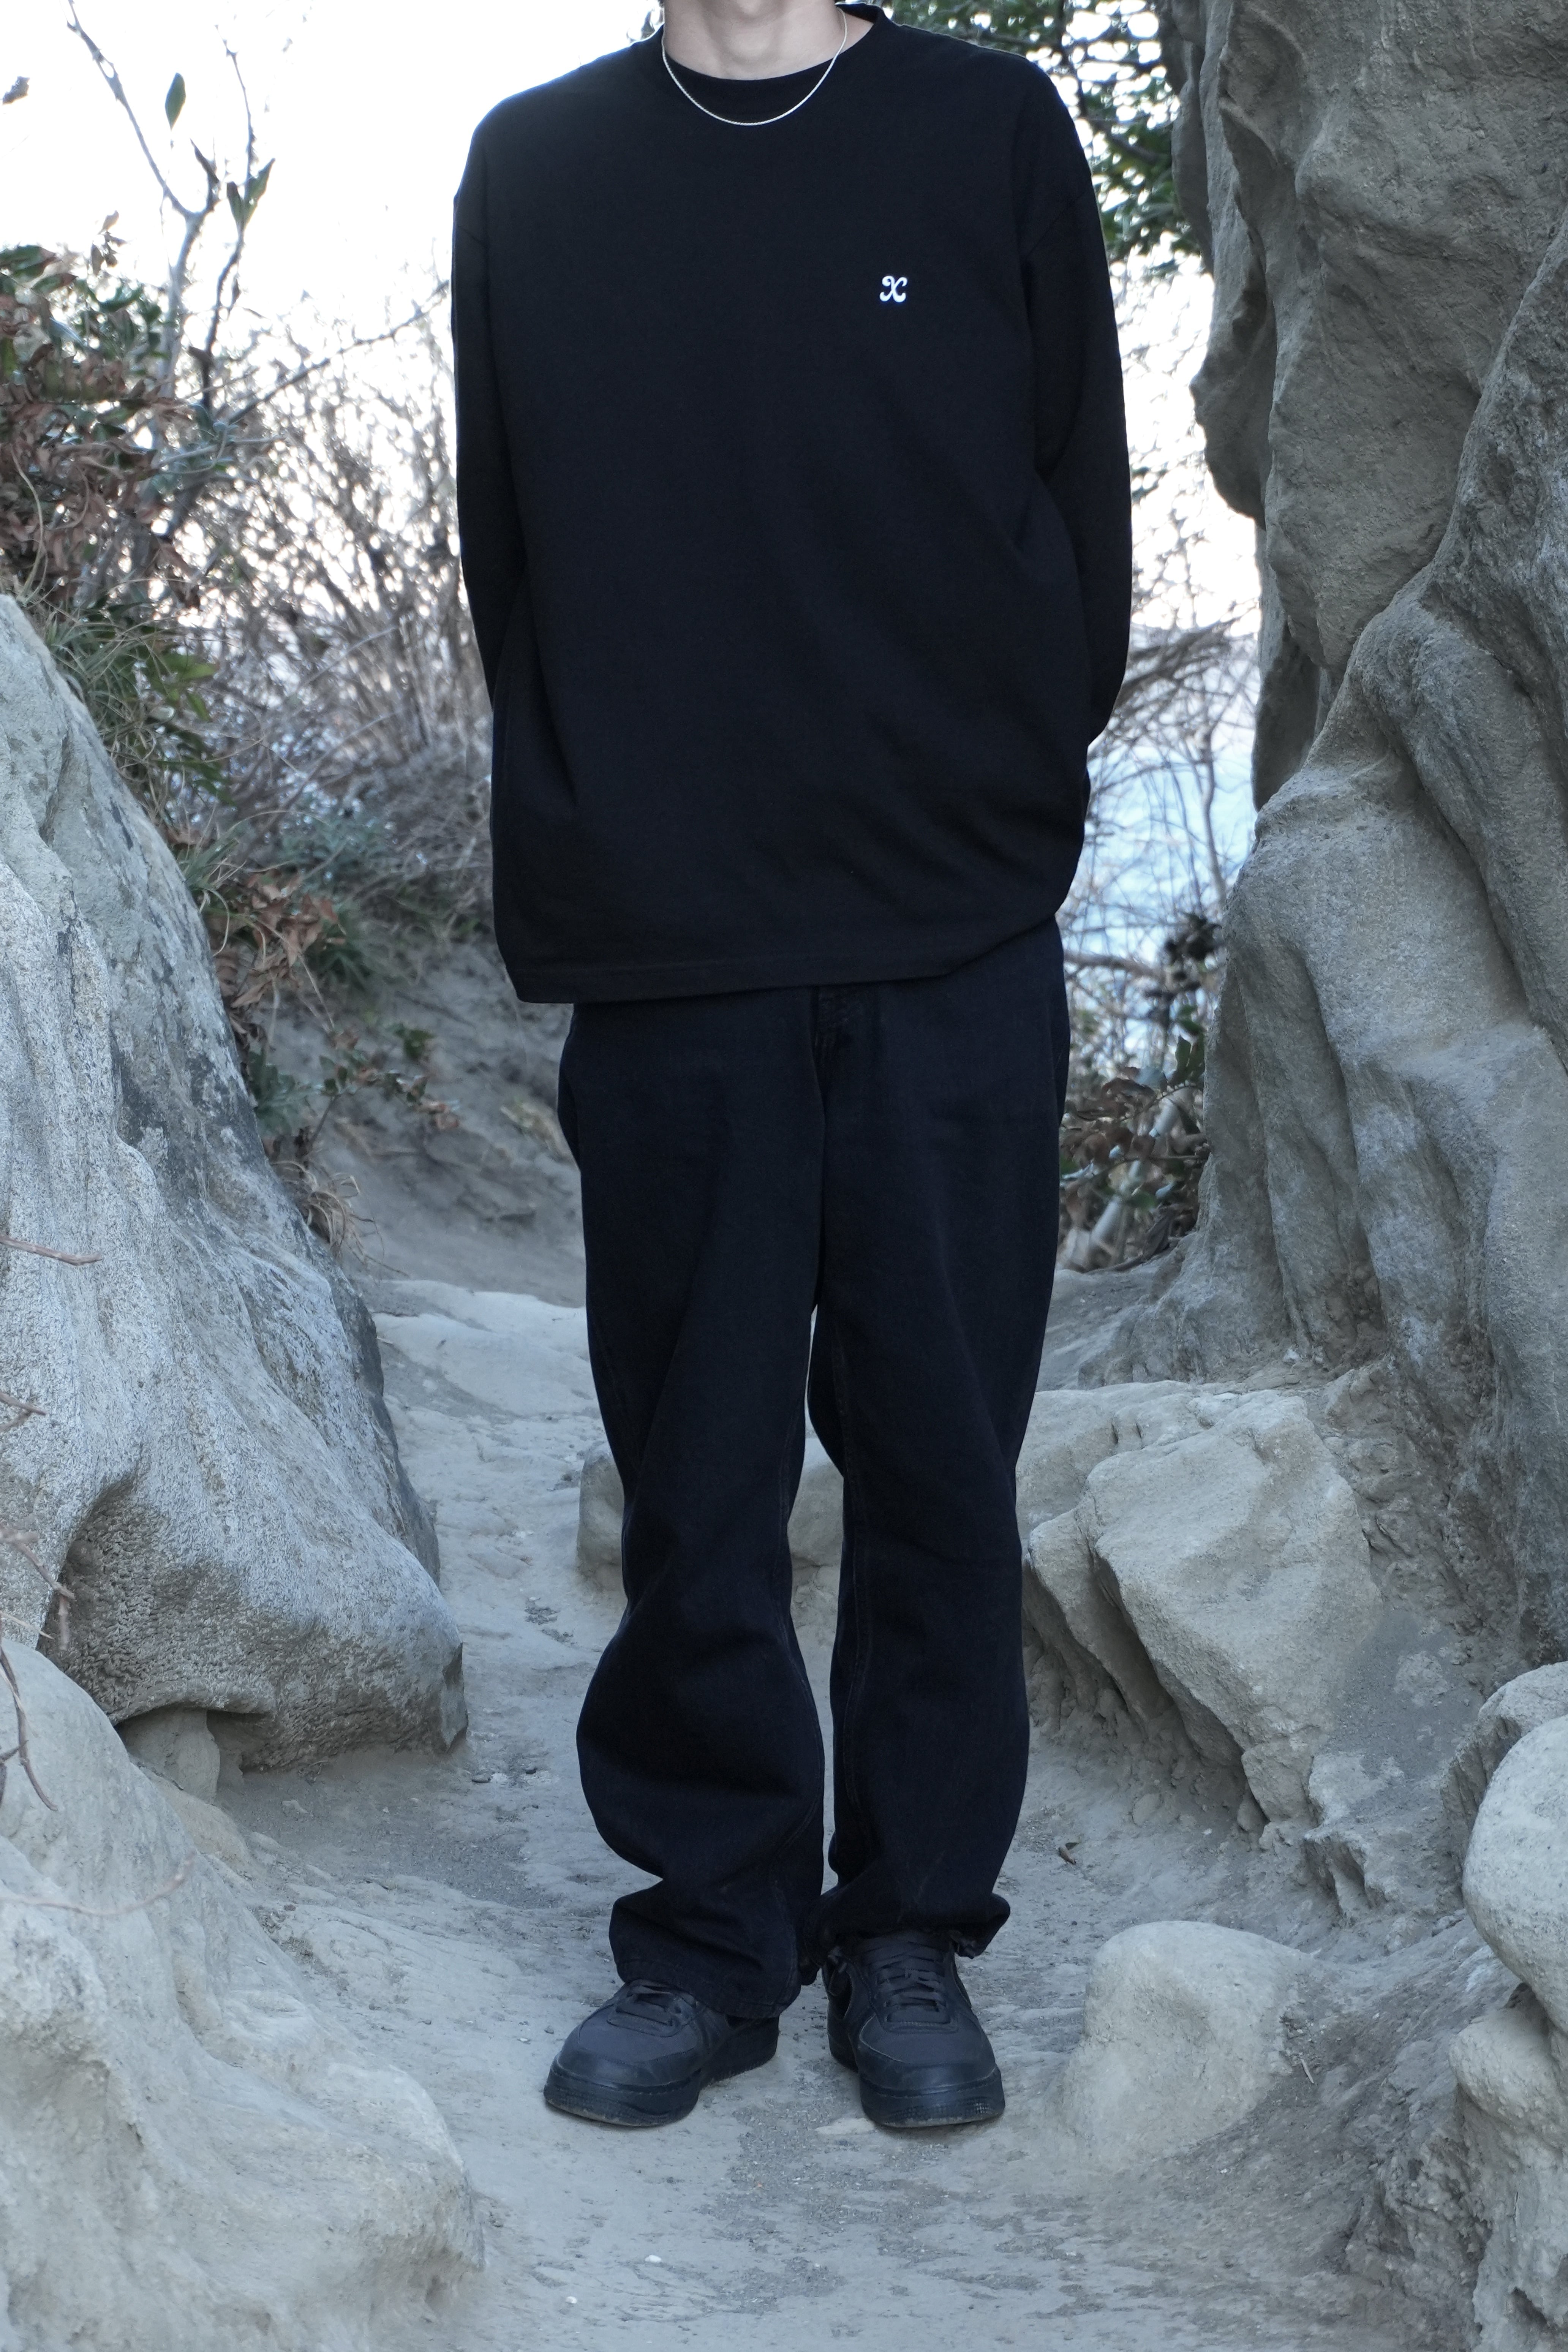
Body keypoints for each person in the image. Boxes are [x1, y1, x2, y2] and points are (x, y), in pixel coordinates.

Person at [452, 0, 1130, 2132]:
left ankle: (908, 1928)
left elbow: (1082, 513)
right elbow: (508, 548)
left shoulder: (991, 130)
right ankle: (711, 1932)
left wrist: (988, 801)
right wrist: (613, 837)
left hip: (950, 929)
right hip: (674, 944)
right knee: (698, 1469)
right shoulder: (538, 169)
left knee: (940, 1460)